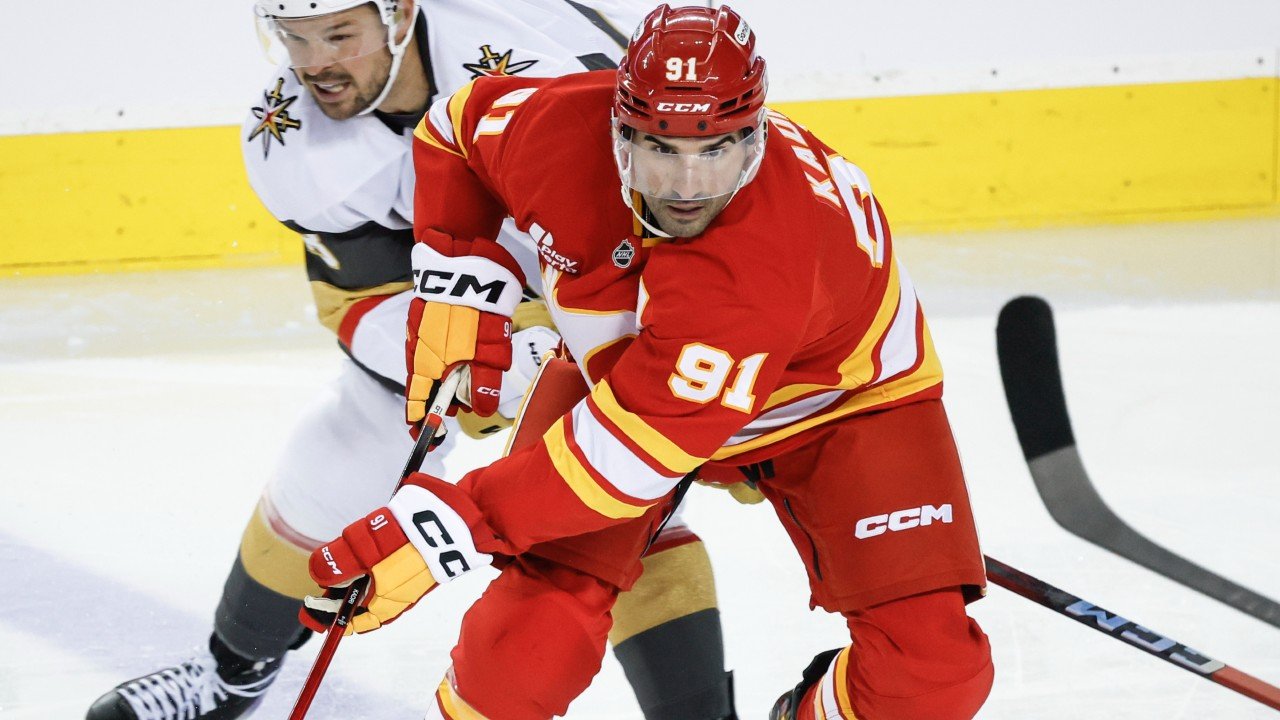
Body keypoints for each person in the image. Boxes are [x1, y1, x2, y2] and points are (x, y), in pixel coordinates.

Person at [298, 4, 997, 719]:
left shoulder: (759, 267)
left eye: (716, 149)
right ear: (618, 129)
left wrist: (444, 527)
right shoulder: (559, 128)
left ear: (755, 137)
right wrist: (459, 282)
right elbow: (456, 131)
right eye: (661, 148)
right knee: (521, 653)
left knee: (930, 674)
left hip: (833, 400)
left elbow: (622, 461)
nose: (687, 186)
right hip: (628, 381)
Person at [85, 2, 740, 719]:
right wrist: (473, 356)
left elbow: (677, 231)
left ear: (399, 14)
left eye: (339, 34)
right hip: (453, 288)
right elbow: (363, 295)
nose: (314, 65)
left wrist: (557, 350)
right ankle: (227, 676)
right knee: (343, 453)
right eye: (293, 37)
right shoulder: (288, 135)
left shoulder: (543, 70)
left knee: (613, 508)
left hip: (613, 288)